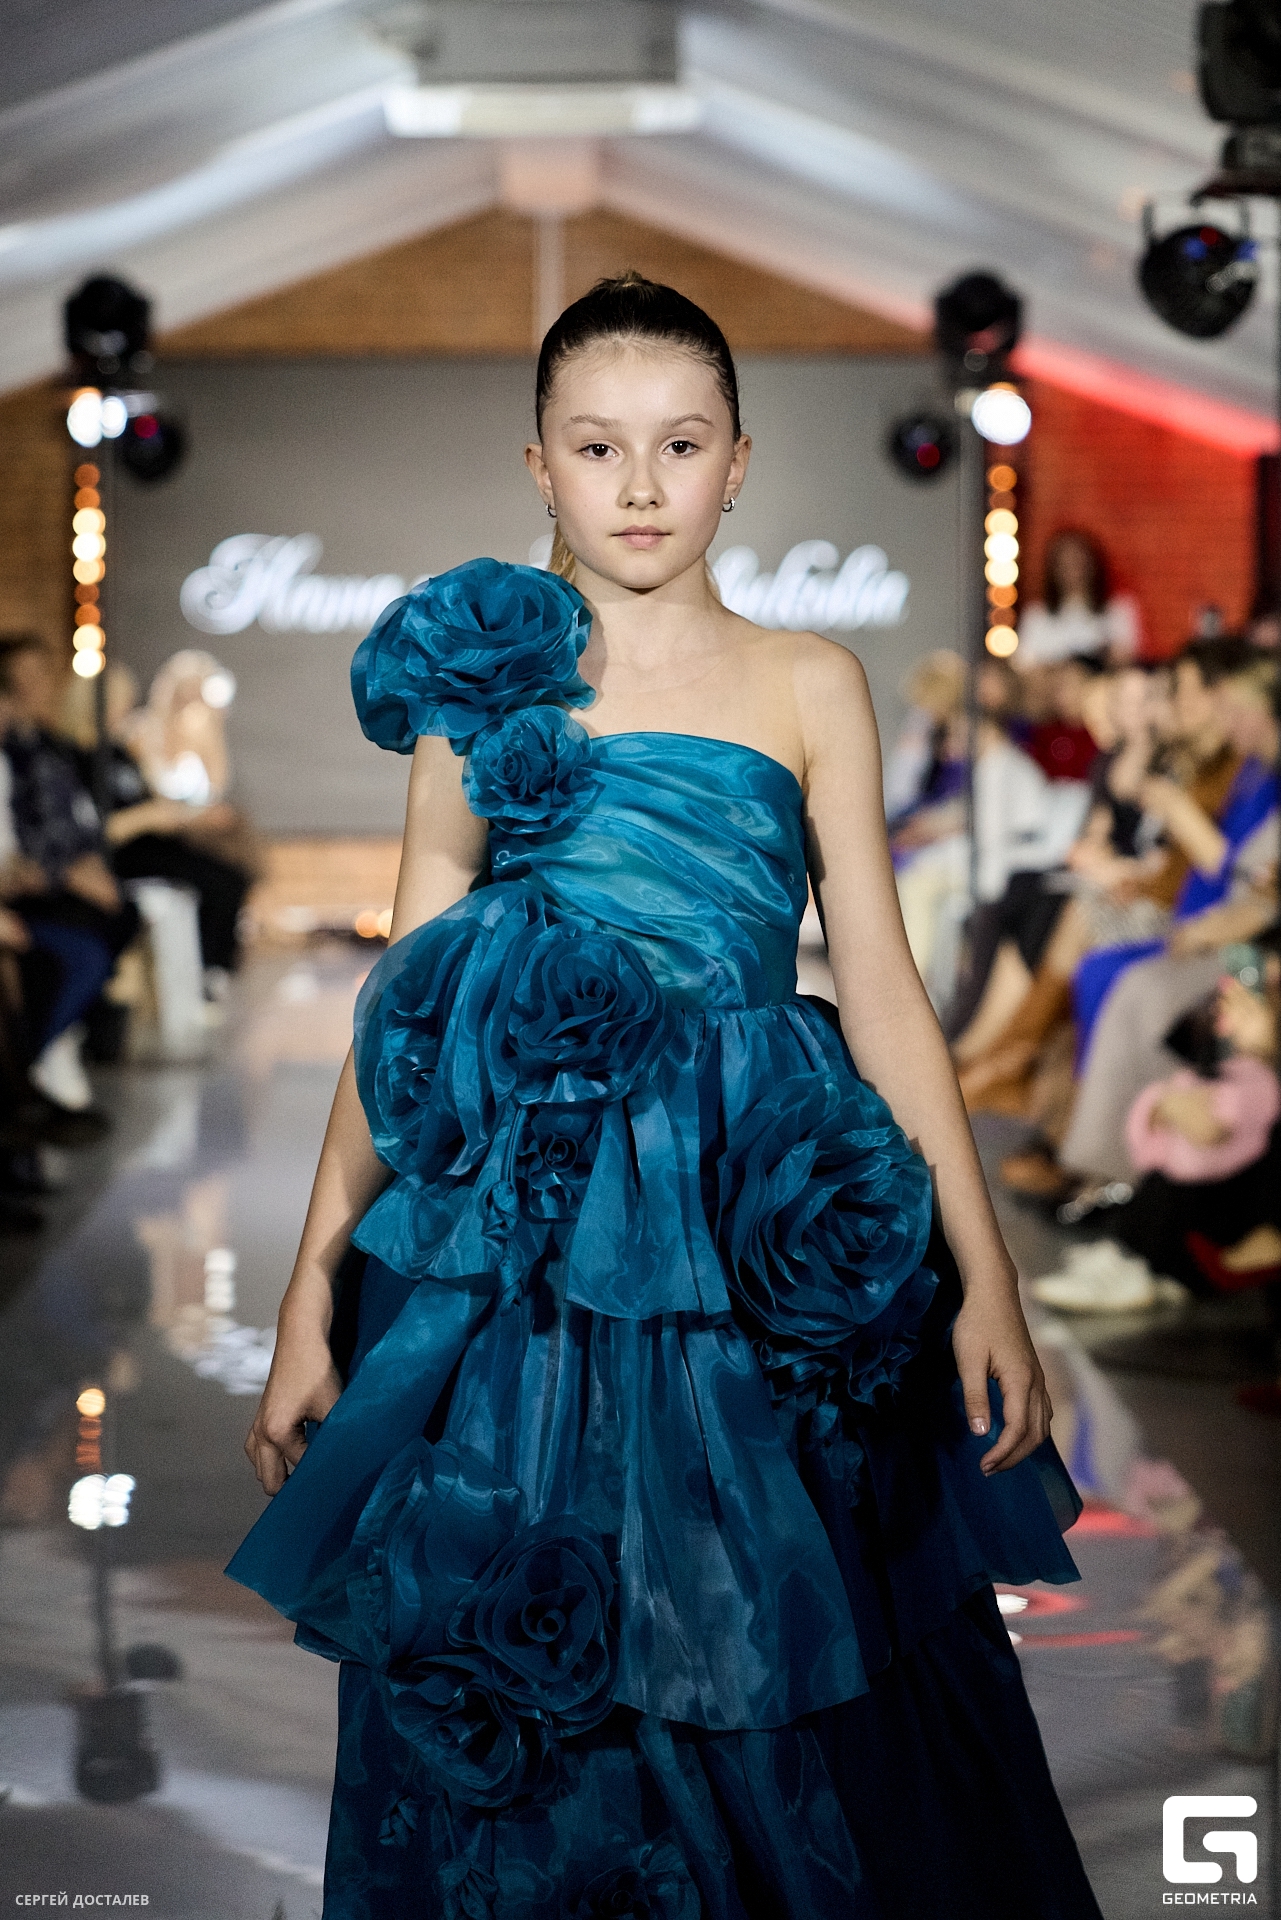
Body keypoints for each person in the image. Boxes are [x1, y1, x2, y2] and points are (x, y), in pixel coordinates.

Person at [228, 275, 1101, 1919]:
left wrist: (986, 1277)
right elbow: (406, 1008)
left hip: (754, 1221)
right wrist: (305, 1291)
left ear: (739, 462)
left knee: (780, 1625)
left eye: (680, 444)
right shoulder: (484, 691)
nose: (640, 485)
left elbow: (883, 988)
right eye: (598, 446)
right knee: (532, 1638)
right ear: (538, 465)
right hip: (526, 1235)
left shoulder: (807, 682)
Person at [59, 664, 257, 993]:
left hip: (155, 843)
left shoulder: (119, 754)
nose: (126, 711)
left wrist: (185, 815)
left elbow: (150, 798)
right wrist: (149, 817)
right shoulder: (76, 758)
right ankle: (207, 971)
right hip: (123, 855)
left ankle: (213, 967)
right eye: (120, 703)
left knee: (230, 865)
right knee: (217, 881)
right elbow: (99, 829)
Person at [1016, 529, 1140, 667]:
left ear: (1093, 565)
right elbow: (1024, 666)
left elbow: (1126, 658)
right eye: (1064, 564)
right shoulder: (1035, 616)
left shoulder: (1118, 610)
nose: (1072, 571)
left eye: (1078, 562)